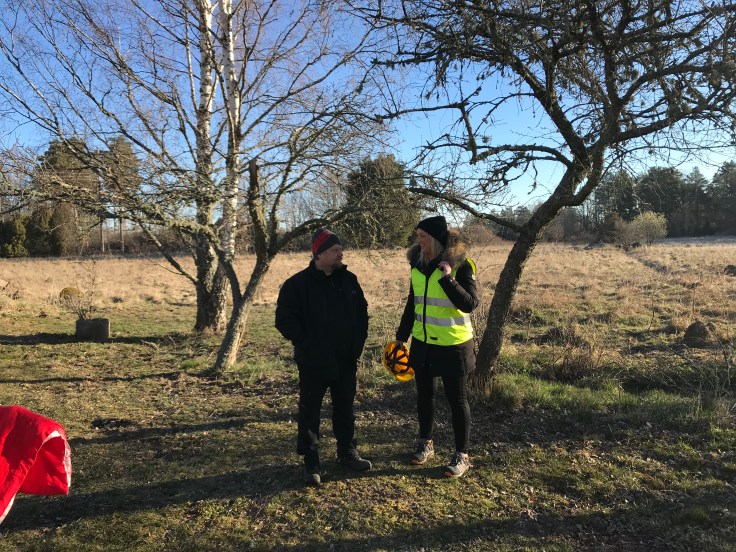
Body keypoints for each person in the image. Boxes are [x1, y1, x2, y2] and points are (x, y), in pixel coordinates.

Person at [275, 228, 372, 485]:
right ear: (319, 254)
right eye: (335, 250)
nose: (341, 254)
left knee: (345, 408)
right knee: (310, 412)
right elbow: (284, 320)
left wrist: (357, 344)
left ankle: (347, 452)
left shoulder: (349, 280)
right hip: (313, 362)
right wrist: (308, 345)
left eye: (340, 249)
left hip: (346, 359)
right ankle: (311, 460)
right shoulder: (297, 285)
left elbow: (362, 314)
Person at [395, 215, 479, 478]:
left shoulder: (463, 265)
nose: (418, 240)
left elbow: (470, 304)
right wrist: (401, 336)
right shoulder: (417, 264)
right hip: (423, 343)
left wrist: (448, 279)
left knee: (457, 400)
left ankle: (462, 455)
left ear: (434, 239)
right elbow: (413, 303)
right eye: (417, 235)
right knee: (424, 395)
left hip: (454, 344)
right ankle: (426, 442)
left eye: (422, 236)